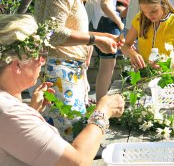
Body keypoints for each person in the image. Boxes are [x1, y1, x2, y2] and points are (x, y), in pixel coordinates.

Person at [0, 14, 125, 166]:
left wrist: (32, 111)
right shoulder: (9, 112)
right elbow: (77, 162)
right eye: (38, 53)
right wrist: (103, 111)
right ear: (17, 65)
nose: (43, 60)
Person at [34, 0, 122, 141]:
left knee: (73, 137)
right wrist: (94, 39)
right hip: (59, 72)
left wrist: (98, 39)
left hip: (70, 71)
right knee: (72, 142)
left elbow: (69, 28)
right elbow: (52, 32)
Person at [121, 0, 174, 69]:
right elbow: (125, 45)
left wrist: (165, 63)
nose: (149, 15)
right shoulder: (139, 19)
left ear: (163, 4)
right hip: (144, 75)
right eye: (145, 12)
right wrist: (132, 53)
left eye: (154, 11)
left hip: (169, 77)